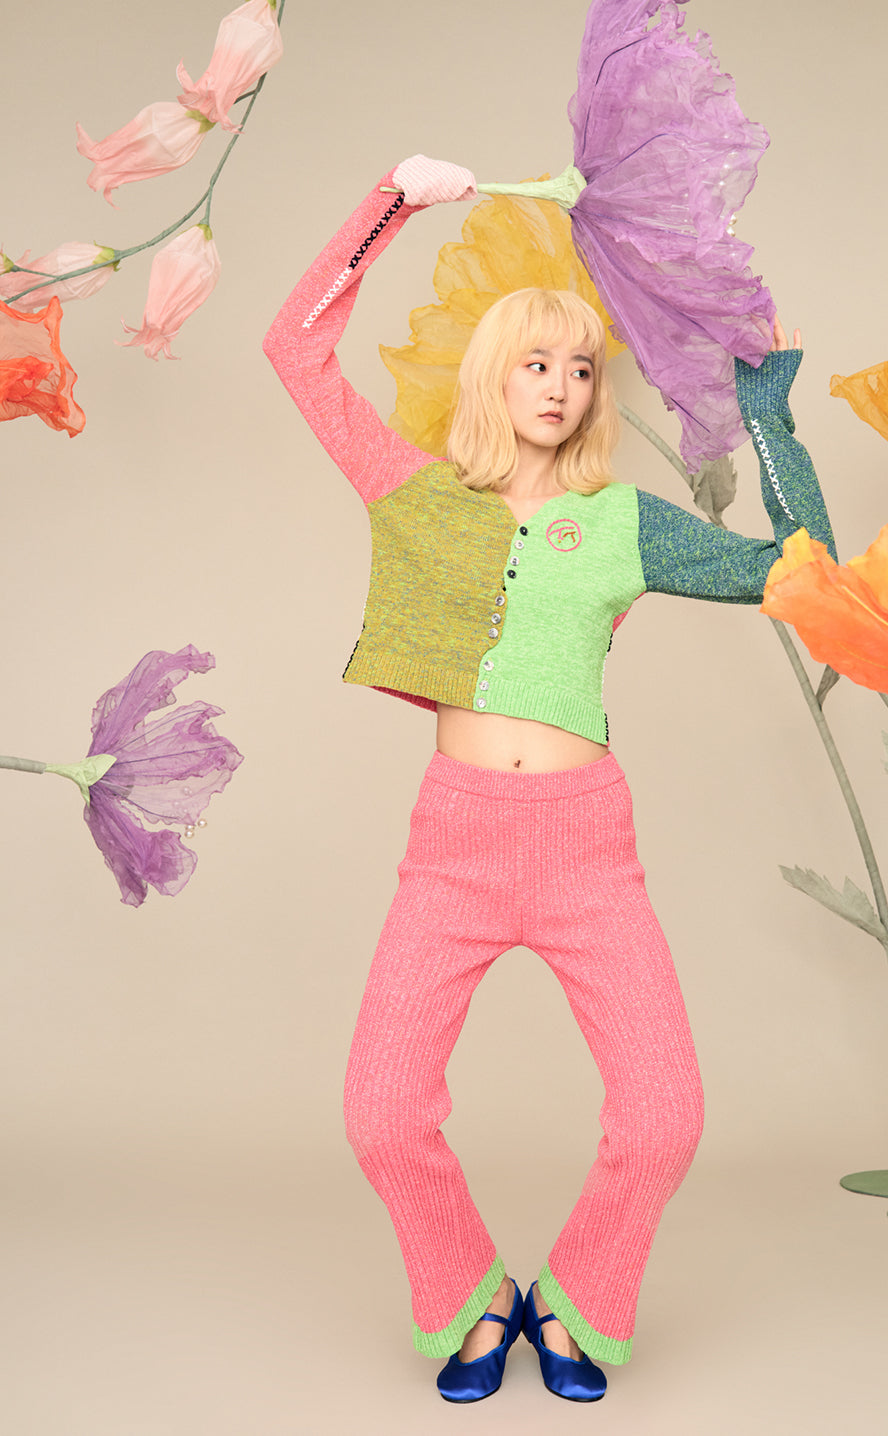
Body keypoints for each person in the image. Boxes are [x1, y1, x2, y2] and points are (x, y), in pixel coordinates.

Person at [263, 154, 834, 1404]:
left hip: (586, 846)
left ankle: (576, 1299)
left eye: (581, 369)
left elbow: (802, 569)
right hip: (454, 844)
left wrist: (769, 412)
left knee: (664, 1116)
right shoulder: (415, 496)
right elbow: (293, 350)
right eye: (537, 363)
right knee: (380, 1113)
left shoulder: (622, 523)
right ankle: (473, 1297)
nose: (563, 387)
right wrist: (390, 202)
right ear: (493, 374)